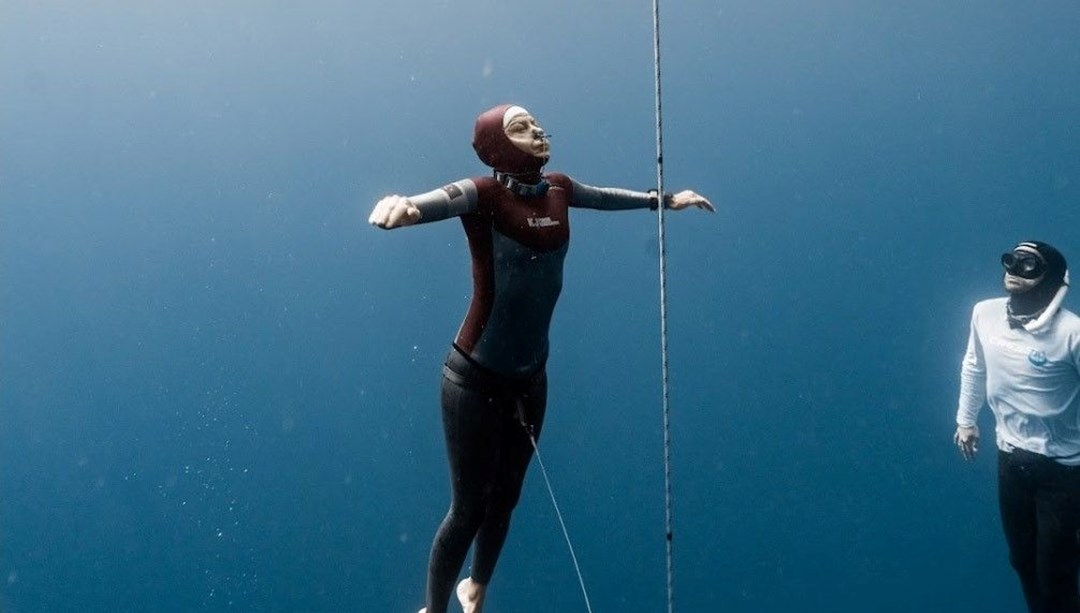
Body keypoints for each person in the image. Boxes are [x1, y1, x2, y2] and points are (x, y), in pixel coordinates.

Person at [369, 103, 713, 613]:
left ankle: (476, 585)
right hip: (472, 378)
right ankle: (433, 609)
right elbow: (439, 200)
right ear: (496, 146)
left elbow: (606, 198)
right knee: (468, 510)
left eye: (534, 124)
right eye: (520, 127)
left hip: (531, 378)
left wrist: (665, 199)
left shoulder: (559, 188)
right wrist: (405, 206)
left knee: (507, 496)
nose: (537, 131)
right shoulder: (483, 194)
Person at [955, 240, 1080, 613]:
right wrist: (966, 421)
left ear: (1052, 278)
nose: (1014, 269)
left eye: (1029, 265)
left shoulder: (1072, 333)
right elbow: (974, 365)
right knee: (1022, 561)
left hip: (1066, 469)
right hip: (1010, 459)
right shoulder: (984, 314)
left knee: (1055, 572)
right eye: (1012, 260)